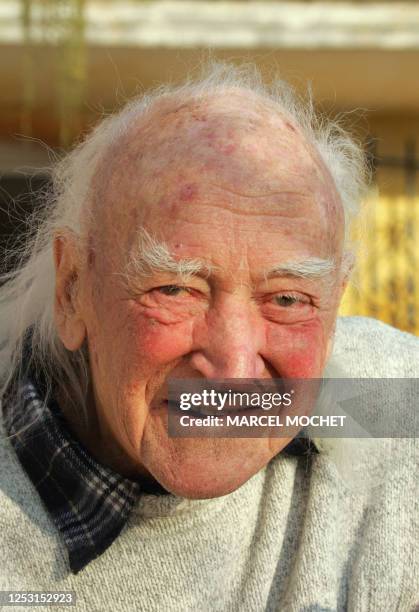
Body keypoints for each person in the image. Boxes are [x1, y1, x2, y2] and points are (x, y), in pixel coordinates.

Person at [0, 63, 417, 611]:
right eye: (176, 289)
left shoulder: (391, 406)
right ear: (74, 288)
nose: (236, 368)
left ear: (337, 298)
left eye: (288, 299)